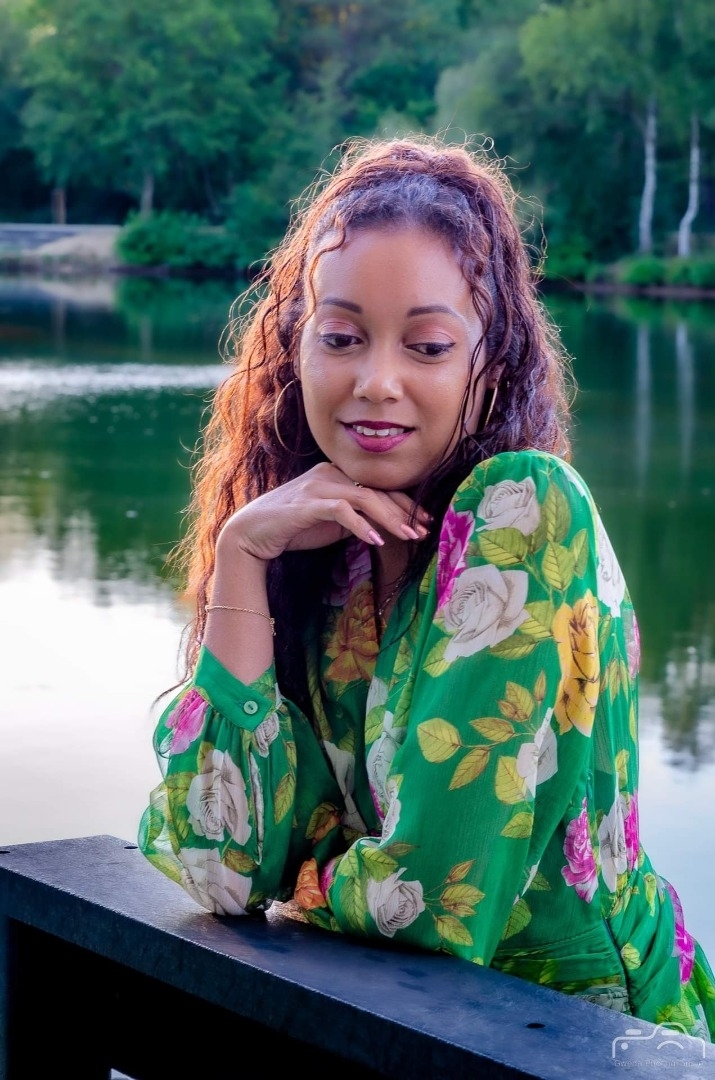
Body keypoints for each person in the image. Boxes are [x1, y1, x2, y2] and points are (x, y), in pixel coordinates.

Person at [138, 134, 715, 1038]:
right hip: (391, 1034)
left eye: (428, 345)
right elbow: (222, 867)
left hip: (581, 1043)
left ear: (492, 367)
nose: (377, 382)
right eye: (340, 338)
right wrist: (243, 556)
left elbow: (428, 909)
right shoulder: (324, 559)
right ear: (295, 351)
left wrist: (304, 877)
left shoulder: (524, 511)